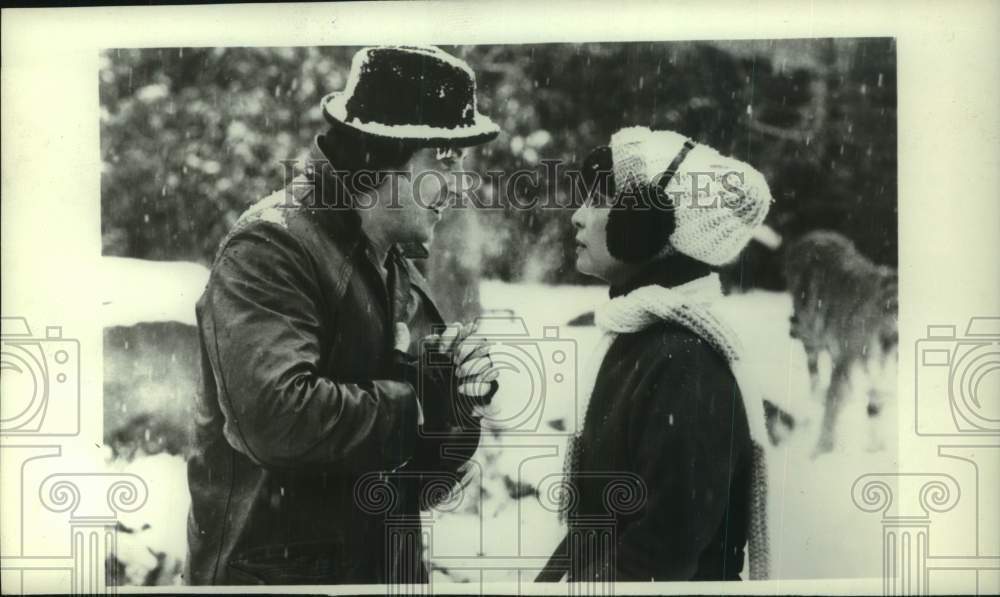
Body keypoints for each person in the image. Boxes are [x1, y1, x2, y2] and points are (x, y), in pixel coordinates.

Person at [186, 45, 500, 585]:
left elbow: (421, 482)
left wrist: (456, 405)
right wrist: (419, 403)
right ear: (382, 155)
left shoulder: (397, 268)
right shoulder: (270, 246)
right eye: (444, 160)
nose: (459, 183)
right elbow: (276, 421)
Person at [539, 126, 773, 582]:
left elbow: (660, 554)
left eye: (598, 201)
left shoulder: (683, 363)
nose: (577, 217)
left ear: (644, 224)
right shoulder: (639, 340)